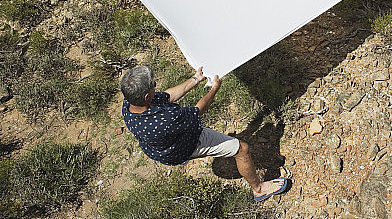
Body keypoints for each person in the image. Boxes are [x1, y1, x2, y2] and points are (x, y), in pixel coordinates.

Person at [121, 65, 291, 203]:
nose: (155, 86)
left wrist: (195, 79)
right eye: (153, 86)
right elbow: (197, 111)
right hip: (185, 144)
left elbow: (166, 96)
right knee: (242, 149)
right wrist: (214, 89)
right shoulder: (165, 120)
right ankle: (259, 189)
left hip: (161, 149)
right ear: (145, 97)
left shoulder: (128, 104)